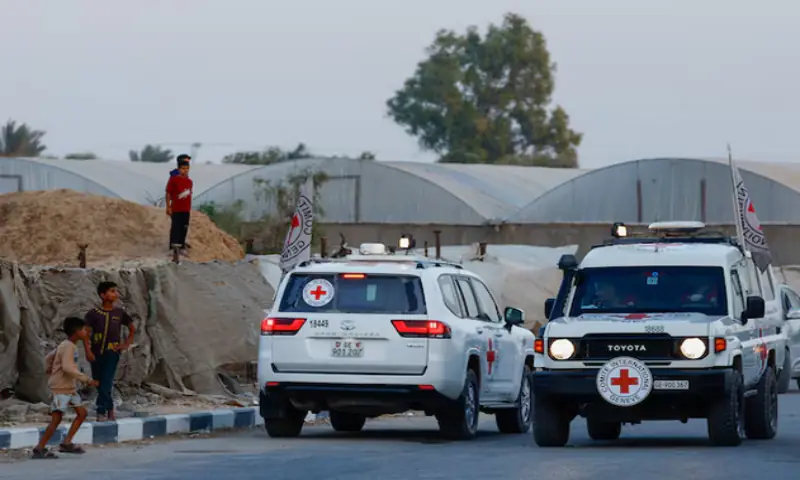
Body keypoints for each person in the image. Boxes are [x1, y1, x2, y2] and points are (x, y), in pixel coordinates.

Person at [34, 317, 99, 459]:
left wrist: (49, 368)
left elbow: (50, 357)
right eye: (83, 330)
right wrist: (87, 379)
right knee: (56, 419)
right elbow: (68, 367)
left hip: (69, 387)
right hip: (60, 388)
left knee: (82, 413)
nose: (86, 332)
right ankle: (40, 448)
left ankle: (67, 442)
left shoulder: (68, 345)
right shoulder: (67, 346)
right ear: (76, 332)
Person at [84, 281, 136, 422]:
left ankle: (102, 411)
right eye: (112, 291)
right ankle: (110, 409)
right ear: (103, 295)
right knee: (99, 382)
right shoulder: (93, 314)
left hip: (112, 353)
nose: (116, 294)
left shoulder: (119, 313)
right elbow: (86, 334)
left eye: (116, 291)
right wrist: (88, 351)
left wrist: (125, 344)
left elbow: (132, 328)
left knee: (106, 381)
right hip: (96, 353)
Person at [165, 156, 193, 254]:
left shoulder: (189, 181)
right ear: (179, 168)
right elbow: (168, 193)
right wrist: (168, 206)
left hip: (186, 209)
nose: (185, 171)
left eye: (187, 168)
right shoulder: (174, 179)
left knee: (184, 227)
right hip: (176, 208)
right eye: (183, 168)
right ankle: (173, 247)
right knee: (176, 227)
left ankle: (181, 246)